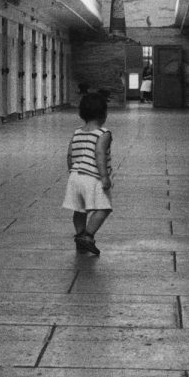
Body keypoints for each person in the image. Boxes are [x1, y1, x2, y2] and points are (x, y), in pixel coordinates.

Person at [61, 92, 113, 255]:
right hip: (93, 176)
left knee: (79, 209)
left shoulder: (77, 132)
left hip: (75, 176)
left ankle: (80, 235)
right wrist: (104, 177)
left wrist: (72, 171)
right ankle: (87, 236)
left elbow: (69, 154)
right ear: (104, 114)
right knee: (104, 208)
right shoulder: (103, 134)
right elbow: (100, 155)